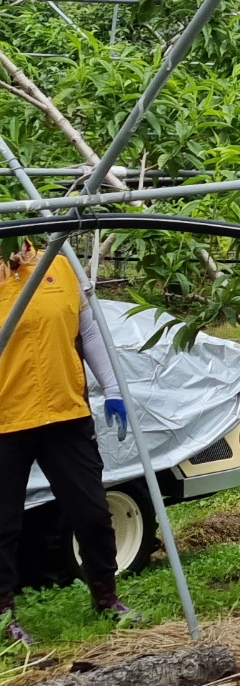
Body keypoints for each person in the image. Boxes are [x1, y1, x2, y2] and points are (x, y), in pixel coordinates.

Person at [0, 239, 135, 646]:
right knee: (3, 524)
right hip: (6, 418)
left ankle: (106, 596)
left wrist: (112, 388)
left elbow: (88, 330)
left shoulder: (57, 262)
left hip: (64, 412)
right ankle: (4, 616)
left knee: (92, 512)